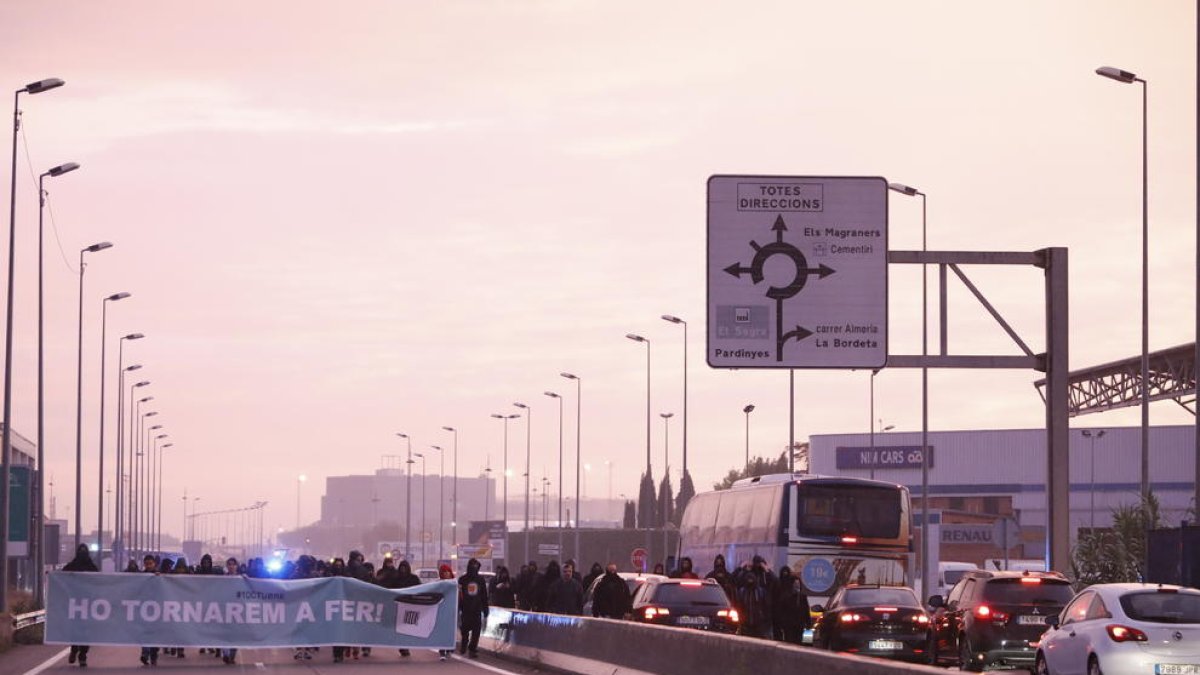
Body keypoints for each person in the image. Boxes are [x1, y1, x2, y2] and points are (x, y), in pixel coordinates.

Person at [64, 544, 97, 668]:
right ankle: (74, 649)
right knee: (75, 629)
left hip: (88, 604)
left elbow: (99, 581)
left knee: (86, 631)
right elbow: (61, 577)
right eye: (80, 551)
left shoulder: (92, 567)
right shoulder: (71, 566)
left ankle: (83, 654)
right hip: (75, 604)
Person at [458, 558, 489, 658]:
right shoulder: (462, 579)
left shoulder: (480, 580)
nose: (474, 568)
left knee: (476, 631)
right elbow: (459, 595)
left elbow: (484, 595)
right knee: (465, 629)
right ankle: (464, 644)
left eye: (476, 566)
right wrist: (458, 607)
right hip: (465, 608)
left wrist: (485, 608)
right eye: (473, 566)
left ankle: (472, 648)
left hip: (476, 608)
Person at [772, 566, 810, 643]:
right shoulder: (787, 598)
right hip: (789, 626)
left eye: (798, 584)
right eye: (795, 584)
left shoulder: (802, 597)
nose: (797, 586)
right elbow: (783, 611)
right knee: (790, 642)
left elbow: (806, 610)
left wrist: (808, 624)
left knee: (802, 642)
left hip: (800, 625)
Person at [138, 555, 160, 666]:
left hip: (157, 609)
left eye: (150, 563)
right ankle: (145, 653)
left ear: (154, 564)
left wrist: (159, 577)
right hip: (145, 608)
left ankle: (154, 655)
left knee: (155, 633)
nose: (149, 565)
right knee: (145, 631)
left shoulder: (159, 576)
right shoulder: (141, 576)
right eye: (146, 564)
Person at [436, 564, 456, 661]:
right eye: (444, 572)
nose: (446, 574)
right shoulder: (438, 584)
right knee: (442, 631)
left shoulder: (455, 584)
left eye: (447, 572)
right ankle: (442, 651)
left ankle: (449, 648)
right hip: (442, 611)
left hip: (452, 612)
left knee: (450, 630)